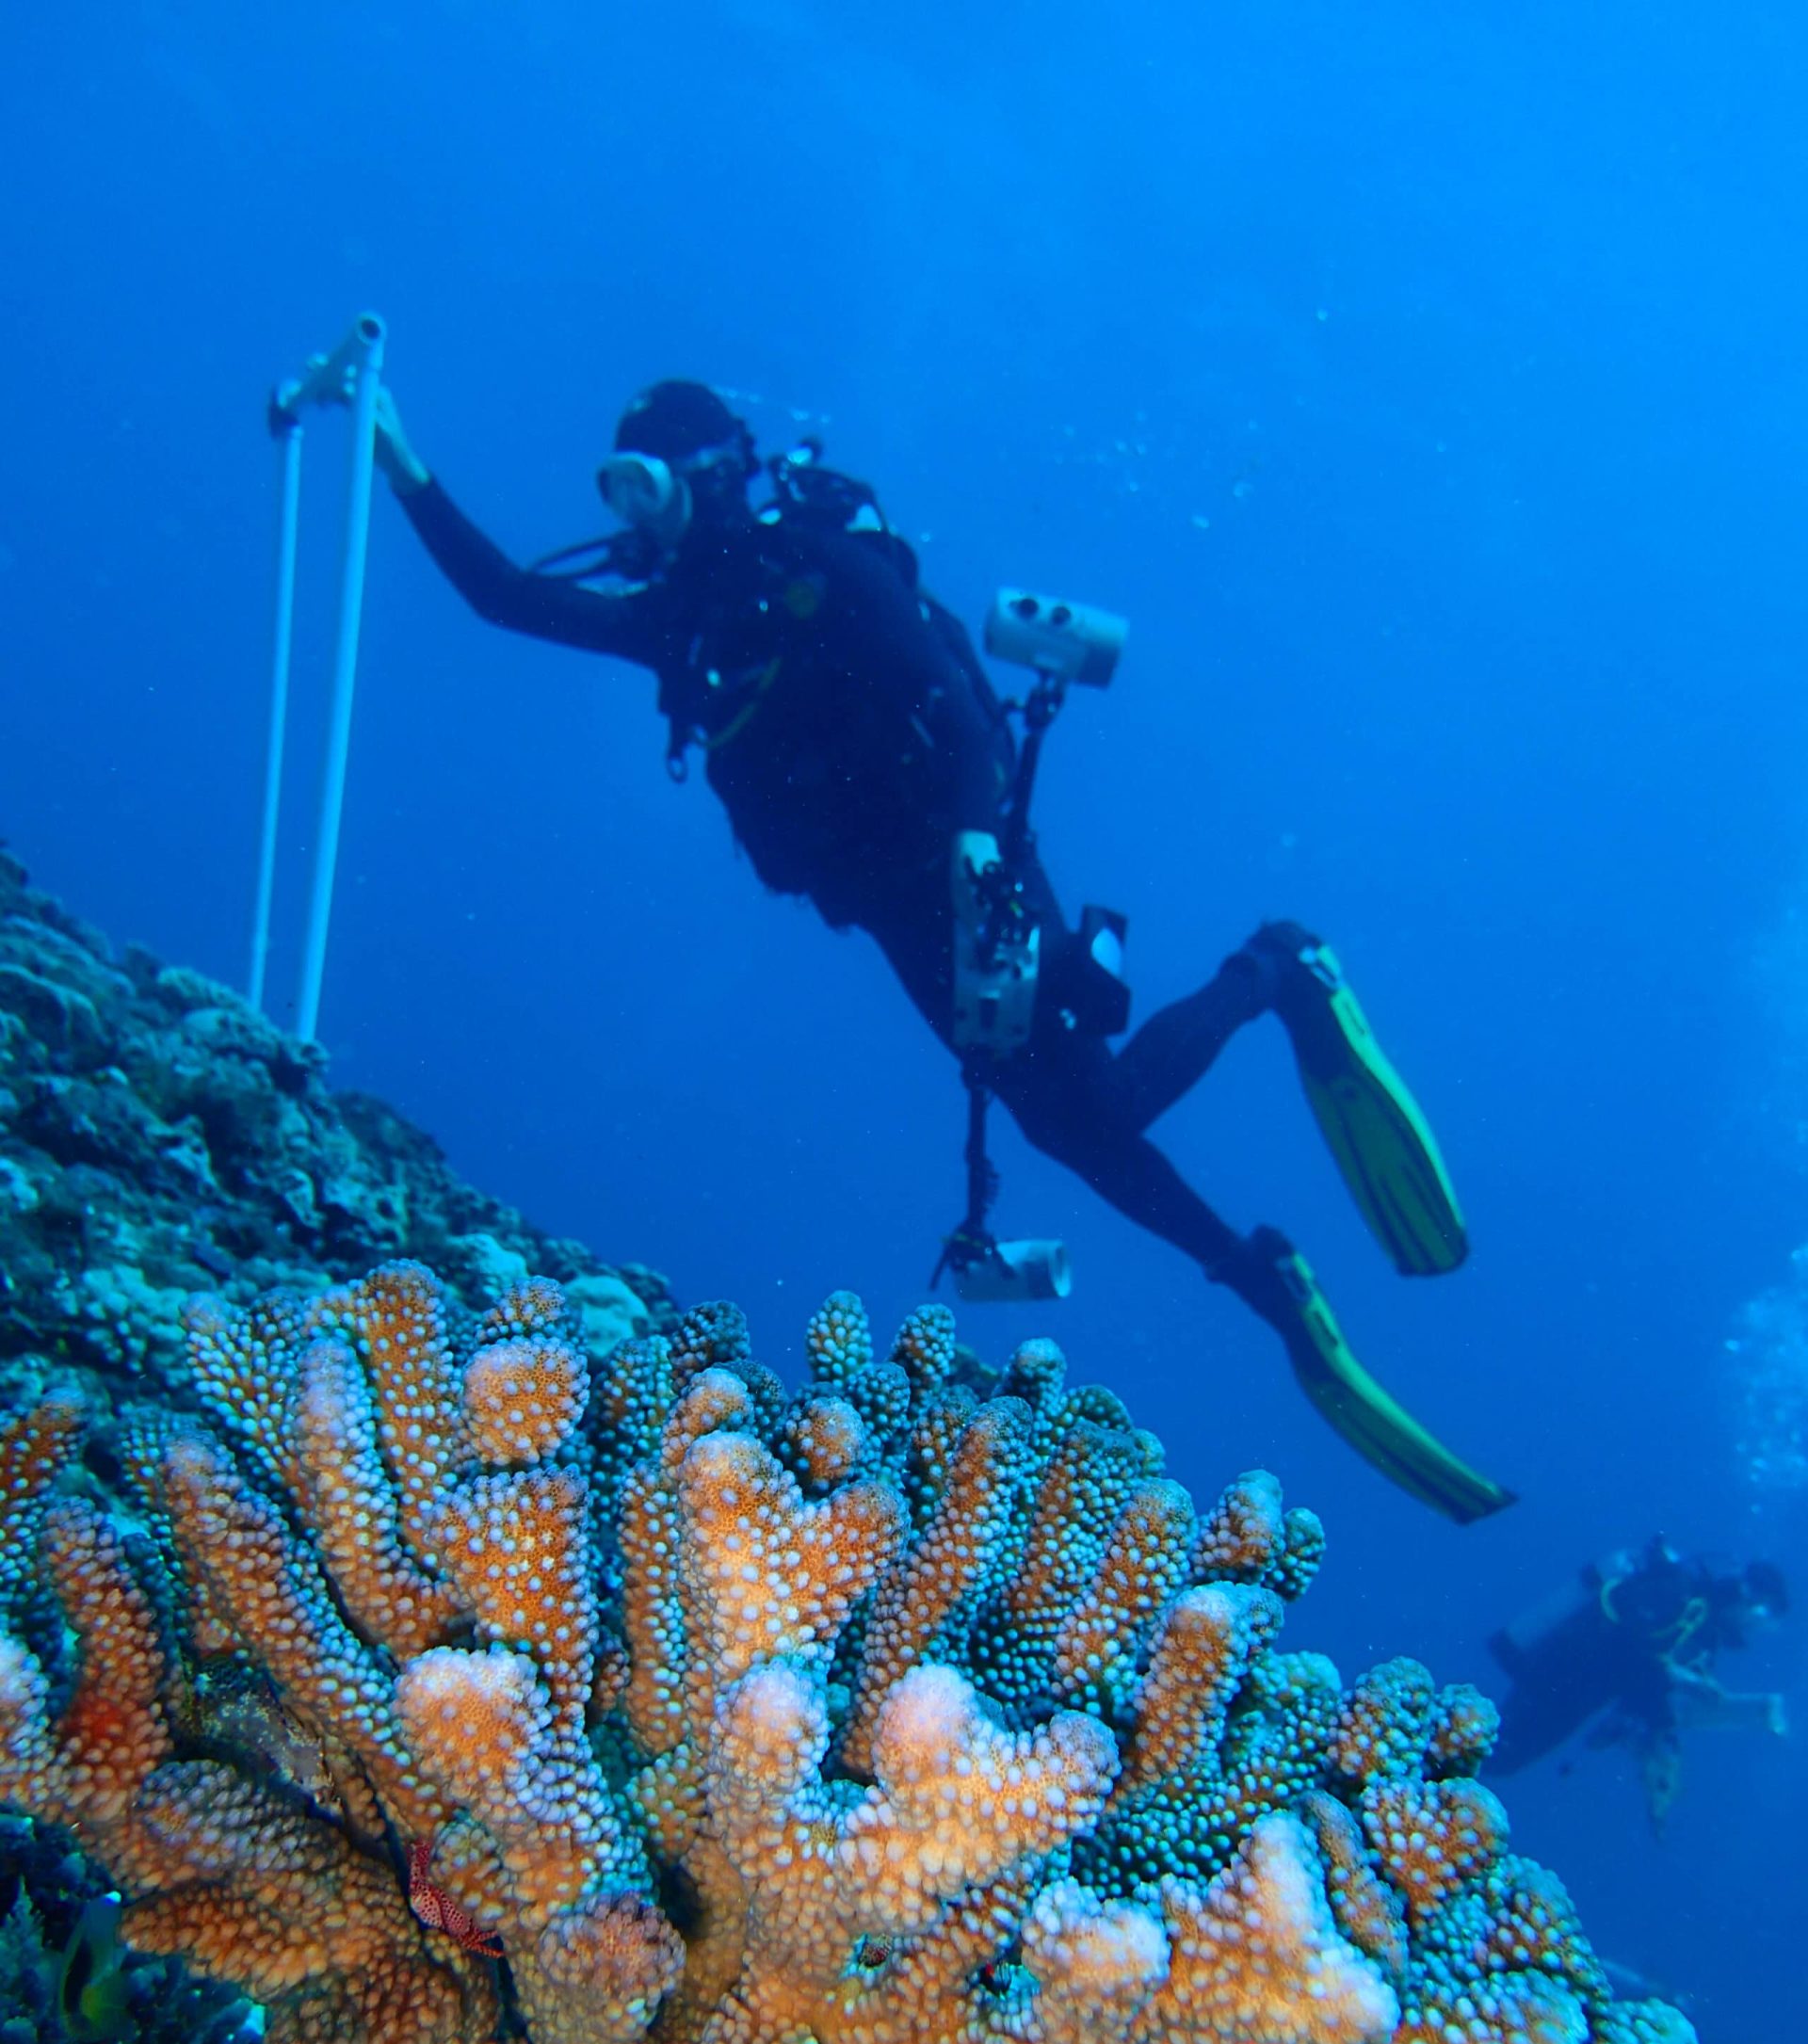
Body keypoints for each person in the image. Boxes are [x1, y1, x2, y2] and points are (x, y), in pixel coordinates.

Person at [369, 376, 1511, 1520]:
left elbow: (958, 717)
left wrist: (976, 851)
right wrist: (397, 448)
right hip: (894, 912)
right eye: (619, 489)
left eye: (652, 484)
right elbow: (502, 596)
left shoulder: (822, 572)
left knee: (1090, 1109)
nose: (636, 516)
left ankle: (1276, 969)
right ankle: (1254, 1270)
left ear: (714, 472)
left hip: (967, 872)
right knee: (1066, 1124)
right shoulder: (685, 620)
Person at [1487, 1540, 1790, 1827]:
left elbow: (1648, 1683)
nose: (1757, 1625)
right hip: (1562, 1676)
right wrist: (1674, 1681)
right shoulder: (1678, 1593)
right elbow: (1627, 1647)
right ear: (1747, 1595)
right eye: (1761, 1612)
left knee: (1501, 1756)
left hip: (1576, 1690)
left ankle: (1445, 1766)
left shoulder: (1699, 1626)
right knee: (1498, 1751)